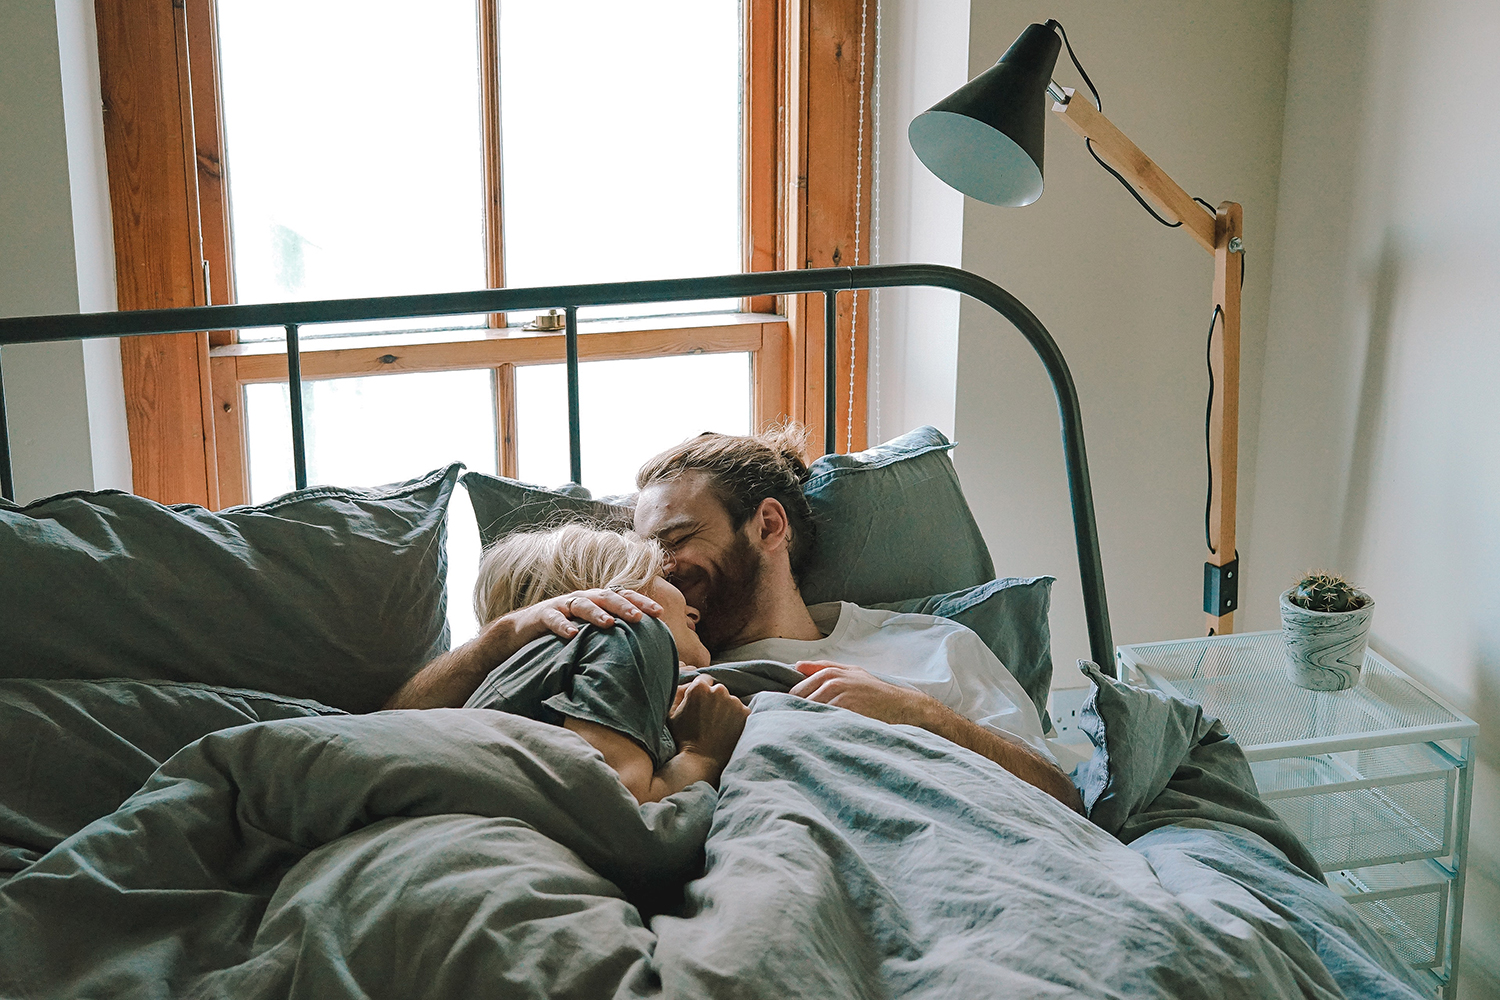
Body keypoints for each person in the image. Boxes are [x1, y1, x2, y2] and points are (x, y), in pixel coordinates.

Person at [632, 425, 1083, 813]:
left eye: (677, 539)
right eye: (647, 553)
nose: (659, 567)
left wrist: (917, 713)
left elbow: (1064, 799)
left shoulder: (933, 645)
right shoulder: (655, 663)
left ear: (768, 525)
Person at [388, 523, 748, 806]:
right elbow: (624, 814)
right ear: (613, 589)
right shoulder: (623, 634)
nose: (693, 607)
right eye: (664, 579)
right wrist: (703, 755)